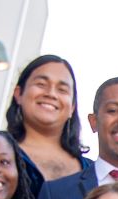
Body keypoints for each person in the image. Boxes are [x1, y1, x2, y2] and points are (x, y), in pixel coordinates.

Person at [6, 55, 86, 190]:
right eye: (41, 84)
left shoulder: (90, 172)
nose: (51, 94)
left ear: (72, 107)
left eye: (62, 90)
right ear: (18, 94)